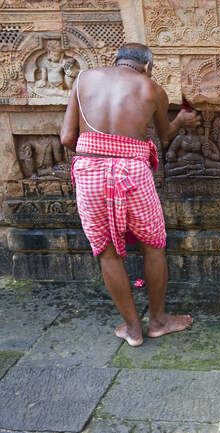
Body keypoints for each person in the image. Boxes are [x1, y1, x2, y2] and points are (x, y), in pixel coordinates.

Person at [60, 43, 201, 346]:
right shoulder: (151, 88)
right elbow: (164, 135)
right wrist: (182, 121)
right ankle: (159, 321)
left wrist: (99, 154)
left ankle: (132, 329)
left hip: (90, 173)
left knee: (107, 252)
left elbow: (67, 137)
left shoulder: (84, 78)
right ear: (147, 66)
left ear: (116, 61)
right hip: (132, 174)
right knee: (153, 246)